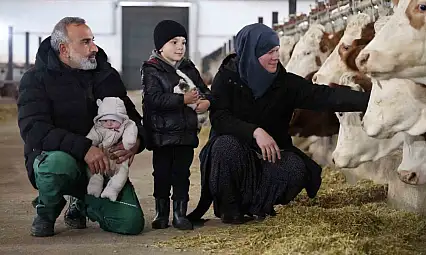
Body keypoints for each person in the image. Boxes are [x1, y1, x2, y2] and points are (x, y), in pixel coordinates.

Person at [187, 23, 370, 224]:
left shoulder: (284, 83)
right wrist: (255, 132)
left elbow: (324, 95)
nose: (276, 56)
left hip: (270, 155)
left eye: (276, 50)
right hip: (236, 154)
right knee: (225, 146)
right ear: (251, 52)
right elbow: (220, 118)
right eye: (268, 52)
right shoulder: (228, 78)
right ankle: (230, 207)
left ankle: (257, 206)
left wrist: (374, 100)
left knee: (296, 168)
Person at [17, 17, 146, 237]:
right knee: (57, 164)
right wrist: (84, 148)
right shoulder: (36, 79)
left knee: (130, 223)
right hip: (61, 159)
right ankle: (47, 209)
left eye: (93, 40)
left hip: (100, 166)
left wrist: (138, 142)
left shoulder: (106, 76)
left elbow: (131, 117)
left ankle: (81, 202)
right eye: (85, 42)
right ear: (64, 49)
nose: (94, 48)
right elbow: (34, 129)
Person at [141, 20, 214, 230]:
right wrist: (182, 100)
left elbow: (204, 90)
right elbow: (153, 99)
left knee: (182, 174)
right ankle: (160, 213)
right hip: (162, 134)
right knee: (162, 174)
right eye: (174, 42)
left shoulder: (189, 68)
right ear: (161, 46)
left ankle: (180, 214)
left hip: (185, 133)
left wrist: (206, 102)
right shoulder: (151, 69)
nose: (180, 47)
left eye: (183, 42)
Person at [86, 97, 138, 202]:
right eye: (105, 120)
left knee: (121, 174)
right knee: (96, 172)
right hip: (101, 157)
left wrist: (129, 142)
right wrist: (88, 145)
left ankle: (113, 190)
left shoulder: (127, 125)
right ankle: (94, 188)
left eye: (113, 120)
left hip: (118, 158)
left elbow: (131, 132)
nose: (109, 124)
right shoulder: (99, 128)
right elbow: (91, 138)